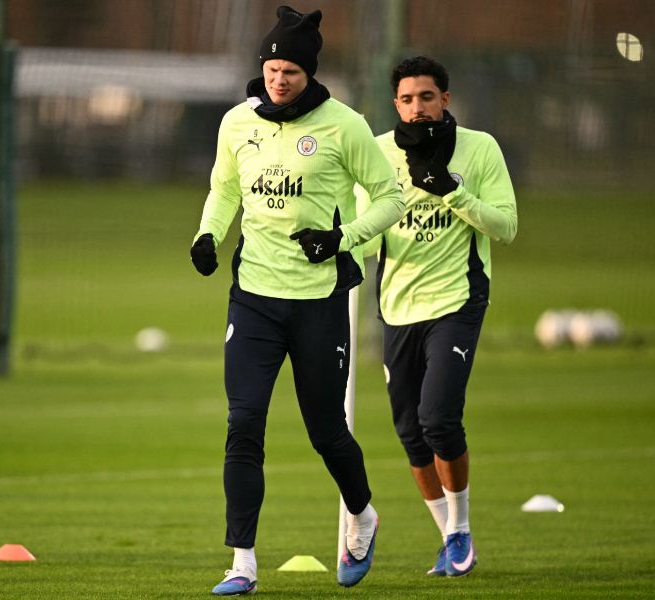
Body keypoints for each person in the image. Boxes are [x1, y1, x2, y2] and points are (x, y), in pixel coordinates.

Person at [190, 6, 405, 596]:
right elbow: (224, 186)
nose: (278, 78)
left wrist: (343, 239)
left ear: (309, 71)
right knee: (243, 424)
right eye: (271, 67)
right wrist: (207, 234)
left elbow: (390, 200)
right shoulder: (237, 122)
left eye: (289, 69)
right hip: (253, 298)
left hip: (318, 301)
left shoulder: (345, 126)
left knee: (325, 430)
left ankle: (362, 515)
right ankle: (242, 563)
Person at [357, 55, 517, 578]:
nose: (416, 107)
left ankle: (460, 527)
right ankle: (446, 536)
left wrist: (452, 190)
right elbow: (369, 234)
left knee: (438, 417)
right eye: (406, 99)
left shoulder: (481, 147)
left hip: (457, 299)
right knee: (409, 430)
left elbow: (506, 227)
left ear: (444, 100)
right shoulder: (378, 153)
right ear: (395, 105)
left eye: (426, 97)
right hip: (397, 307)